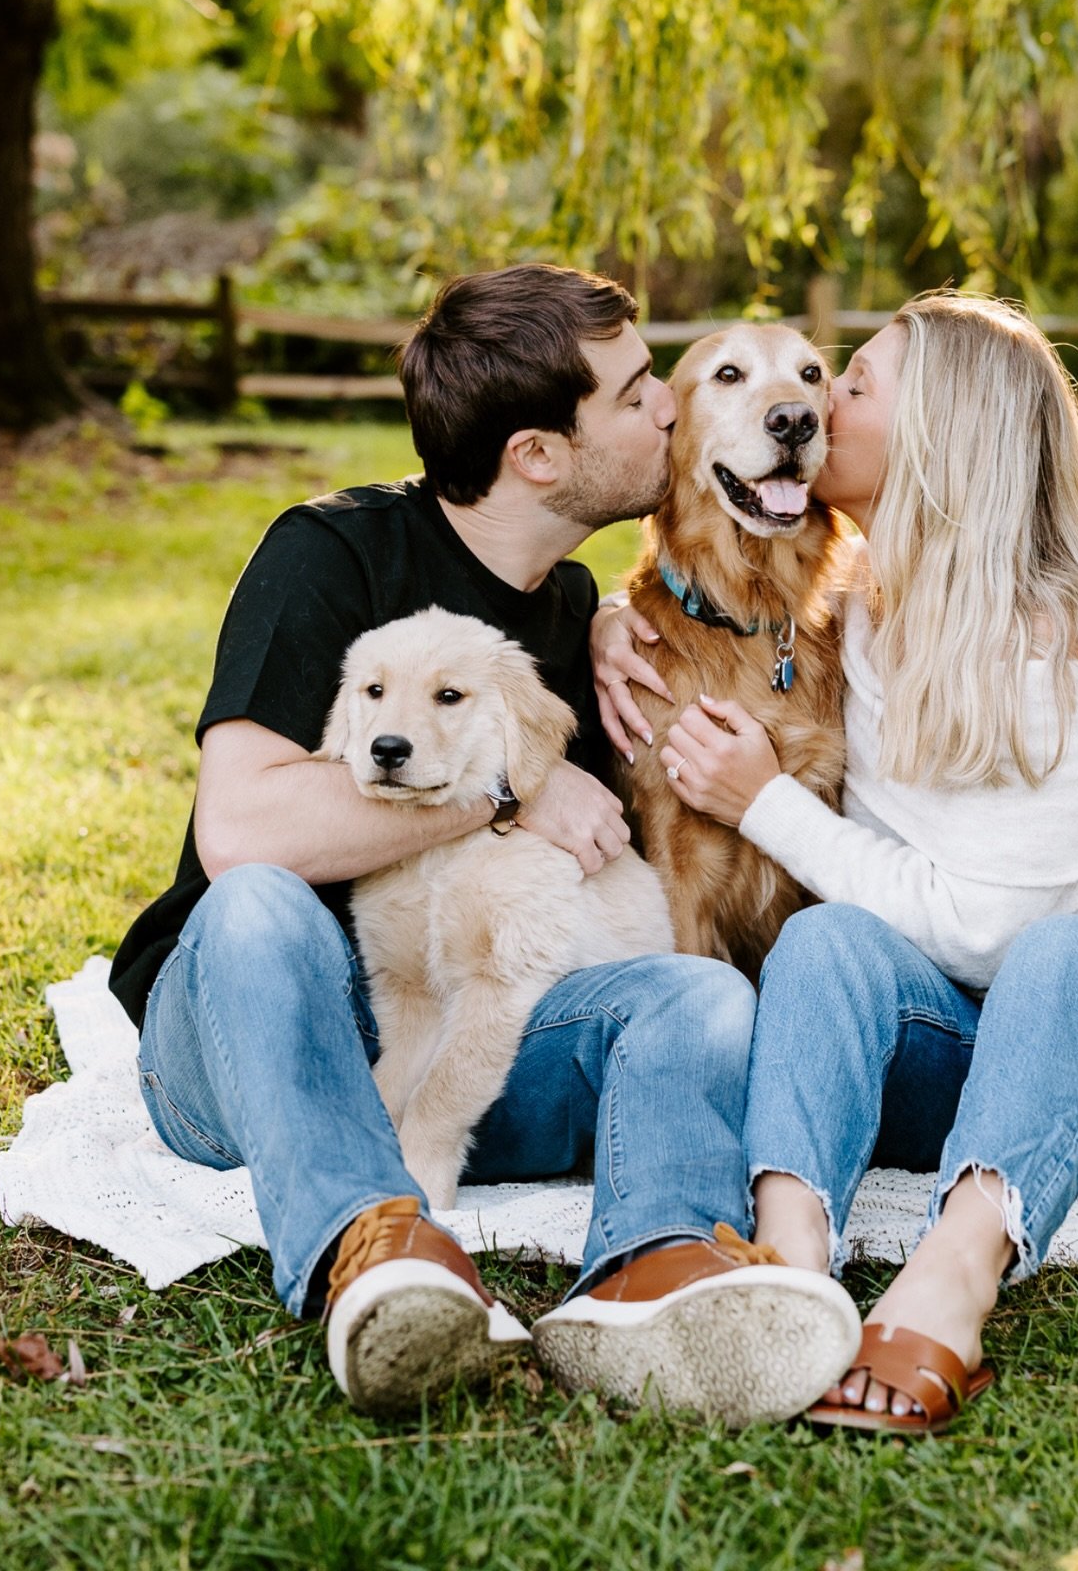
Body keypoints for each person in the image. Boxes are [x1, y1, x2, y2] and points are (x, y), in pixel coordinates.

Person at [110, 263, 860, 1423]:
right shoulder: (332, 554)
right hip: (260, 1038)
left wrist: (616, 623)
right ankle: (380, 1246)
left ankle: (661, 1263)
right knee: (252, 904)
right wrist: (507, 789)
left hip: (468, 1034)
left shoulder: (575, 614)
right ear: (539, 457)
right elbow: (242, 827)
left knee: (694, 1000)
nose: (667, 408)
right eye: (631, 394)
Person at [594, 293, 1078, 1434]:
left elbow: (984, 934)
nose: (810, 406)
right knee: (827, 937)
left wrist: (763, 805)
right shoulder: (856, 612)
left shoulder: (1074, 645)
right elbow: (727, 608)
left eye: (848, 387)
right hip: (966, 1046)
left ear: (946, 435)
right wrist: (610, 613)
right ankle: (790, 1262)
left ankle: (950, 1286)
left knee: (1060, 956)